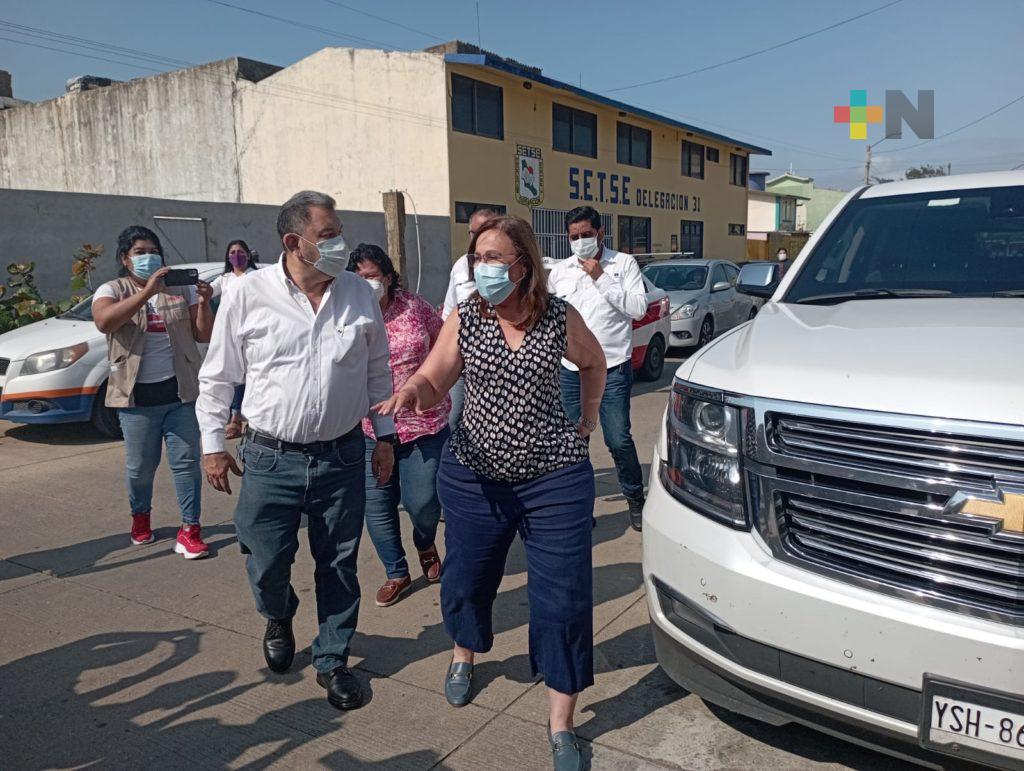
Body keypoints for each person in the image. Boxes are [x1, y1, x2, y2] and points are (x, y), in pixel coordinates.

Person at [376, 216, 606, 771]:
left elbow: (594, 362)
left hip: (554, 477)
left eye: (495, 258)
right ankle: (464, 653)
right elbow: (435, 376)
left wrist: (588, 418)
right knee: (467, 578)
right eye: (478, 258)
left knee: (564, 598)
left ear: (523, 264)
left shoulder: (558, 316)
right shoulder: (466, 317)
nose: (484, 268)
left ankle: (561, 723)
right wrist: (413, 391)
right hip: (475, 476)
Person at [196, 191, 396, 711]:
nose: (340, 244)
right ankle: (279, 614)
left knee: (339, 564)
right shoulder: (248, 293)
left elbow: (378, 372)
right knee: (266, 562)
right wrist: (212, 446)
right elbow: (217, 378)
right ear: (294, 242)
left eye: (339, 232)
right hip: (270, 458)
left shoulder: (358, 293)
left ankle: (332, 659)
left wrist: (386, 436)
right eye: (328, 235)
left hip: (342, 456)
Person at [91, 225, 215, 558]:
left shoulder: (179, 289)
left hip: (180, 395)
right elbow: (104, 322)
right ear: (125, 258)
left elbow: (203, 335)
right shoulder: (112, 289)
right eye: (140, 252)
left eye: (153, 251)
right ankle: (141, 517)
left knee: (186, 464)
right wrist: (146, 293)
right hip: (137, 400)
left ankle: (190, 530)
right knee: (140, 469)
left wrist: (204, 302)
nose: (148, 257)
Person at [346, 243, 450, 607]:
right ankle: (396, 572)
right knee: (377, 508)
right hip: (370, 430)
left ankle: (425, 542)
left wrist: (433, 386)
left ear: (389, 277)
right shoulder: (347, 314)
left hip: (423, 424)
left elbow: (444, 346)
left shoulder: (414, 307)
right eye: (359, 277)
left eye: (373, 276)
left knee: (424, 503)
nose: (367, 283)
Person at [547, 206, 648, 532]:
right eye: (574, 236)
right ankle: (580, 507)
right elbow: (549, 317)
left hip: (612, 368)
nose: (580, 241)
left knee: (618, 440)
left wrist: (600, 277)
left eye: (586, 235)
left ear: (600, 233)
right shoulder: (559, 272)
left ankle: (635, 498)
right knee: (575, 443)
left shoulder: (623, 264)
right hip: (571, 371)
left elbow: (638, 308)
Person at [441, 207, 500, 431]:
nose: (478, 238)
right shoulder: (460, 267)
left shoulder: (508, 267)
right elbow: (449, 312)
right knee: (453, 418)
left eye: (486, 231)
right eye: (474, 232)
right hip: (462, 362)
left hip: (498, 364)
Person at [212, 240, 259, 440]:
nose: (236, 255)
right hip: (230, 333)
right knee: (235, 375)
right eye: (232, 252)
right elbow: (208, 291)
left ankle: (244, 417)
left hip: (253, 331)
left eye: (240, 252)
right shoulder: (224, 279)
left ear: (248, 255)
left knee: (253, 374)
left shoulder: (256, 277)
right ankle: (235, 416)